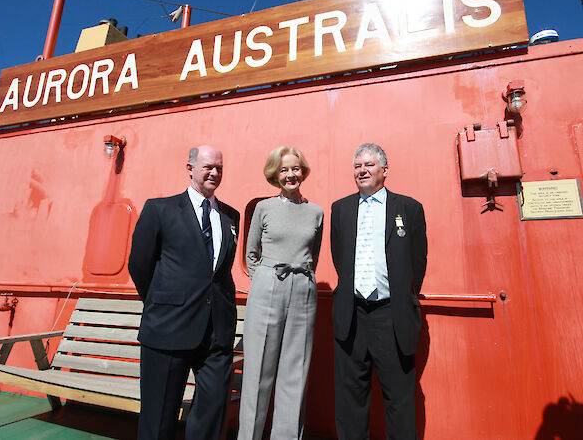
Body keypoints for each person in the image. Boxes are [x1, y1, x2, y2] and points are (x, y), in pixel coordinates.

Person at [128, 145, 240, 440]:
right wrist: (162, 303)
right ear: (190, 168)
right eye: (208, 167)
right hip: (168, 329)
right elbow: (139, 265)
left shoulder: (231, 216)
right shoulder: (159, 210)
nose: (214, 173)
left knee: (212, 416)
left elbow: (220, 272)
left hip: (217, 333)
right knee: (158, 419)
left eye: (219, 168)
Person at [331, 143, 427, 440]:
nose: (362, 170)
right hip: (353, 314)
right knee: (350, 402)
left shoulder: (408, 208)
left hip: (391, 315)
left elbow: (418, 261)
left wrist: (401, 297)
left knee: (399, 401)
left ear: (384, 170)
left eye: (369, 165)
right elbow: (339, 257)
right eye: (358, 165)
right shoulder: (341, 209)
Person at [238, 146, 324, 440]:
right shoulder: (263, 208)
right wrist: (266, 277)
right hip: (268, 284)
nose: (291, 175)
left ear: (303, 171)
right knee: (257, 374)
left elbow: (315, 254)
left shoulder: (316, 211)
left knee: (295, 373)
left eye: (295, 169)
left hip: (303, 288)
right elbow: (251, 254)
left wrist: (301, 277)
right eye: (284, 170)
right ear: (275, 174)